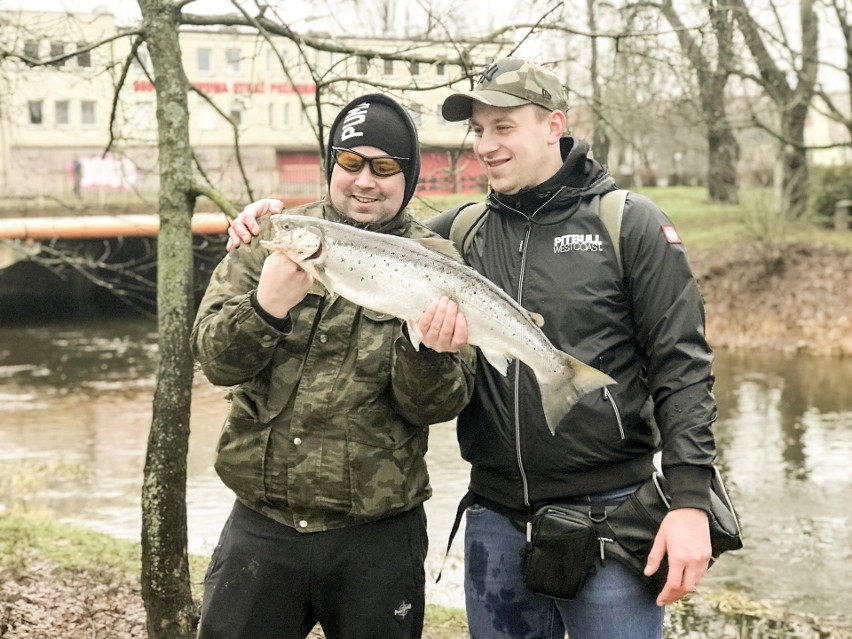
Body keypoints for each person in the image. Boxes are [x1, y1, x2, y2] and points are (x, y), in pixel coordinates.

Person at [227, 58, 719, 639]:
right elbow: (372, 233)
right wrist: (264, 223)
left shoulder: (629, 224)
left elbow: (683, 368)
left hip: (612, 515)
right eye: (478, 130)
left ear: (553, 125)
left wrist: (691, 501)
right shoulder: (457, 233)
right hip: (495, 518)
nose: (485, 145)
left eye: (503, 127)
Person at [191, 93, 476, 639]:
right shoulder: (272, 238)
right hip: (262, 525)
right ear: (330, 166)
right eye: (350, 162)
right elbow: (213, 361)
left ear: (408, 176)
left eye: (385, 167)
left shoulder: (440, 264)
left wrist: (427, 352)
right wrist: (265, 307)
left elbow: (439, 406)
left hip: (378, 537)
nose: (364, 180)